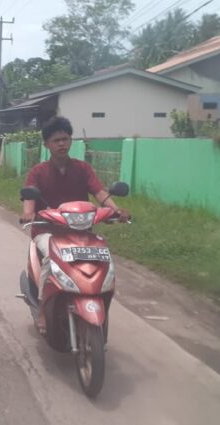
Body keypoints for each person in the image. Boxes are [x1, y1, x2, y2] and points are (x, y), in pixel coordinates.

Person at [21, 117, 129, 330]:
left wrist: (115, 210)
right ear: (47, 145)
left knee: (101, 256)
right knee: (51, 260)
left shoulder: (83, 168)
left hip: (80, 230)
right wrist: (28, 213)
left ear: (71, 141)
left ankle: (97, 296)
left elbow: (99, 192)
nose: (61, 144)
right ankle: (43, 308)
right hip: (47, 230)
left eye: (65, 139)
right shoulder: (38, 171)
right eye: (56, 140)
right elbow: (29, 198)